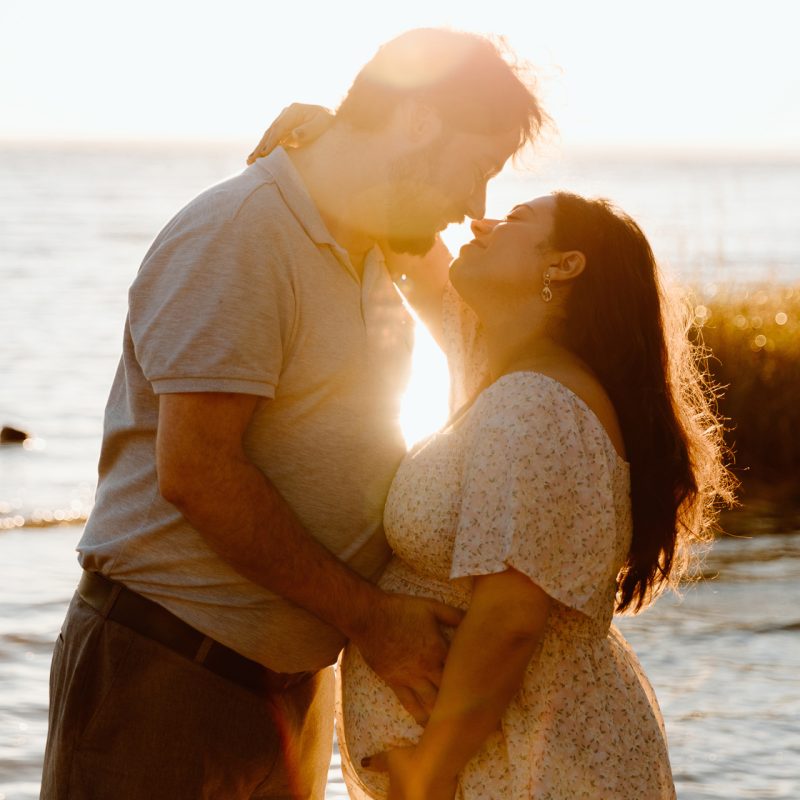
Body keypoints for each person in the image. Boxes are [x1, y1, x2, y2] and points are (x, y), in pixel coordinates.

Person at [40, 29, 545, 799]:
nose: (475, 204)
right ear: (416, 125)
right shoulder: (242, 232)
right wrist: (374, 621)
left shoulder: (379, 245)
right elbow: (199, 474)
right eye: (476, 168)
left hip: (289, 691)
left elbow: (478, 336)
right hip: (167, 677)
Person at [255, 108, 733, 797]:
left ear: (564, 265)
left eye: (512, 222)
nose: (478, 222)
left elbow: (509, 621)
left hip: (527, 769)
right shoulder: (503, 367)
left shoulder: (537, 404)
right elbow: (413, 252)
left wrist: (428, 775)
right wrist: (332, 141)